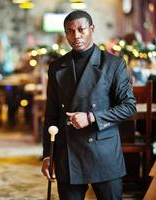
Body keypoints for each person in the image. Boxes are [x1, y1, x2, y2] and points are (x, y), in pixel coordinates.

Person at [41, 10, 136, 199]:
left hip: (104, 152)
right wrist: (47, 154)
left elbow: (129, 107)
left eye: (81, 29)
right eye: (70, 31)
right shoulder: (56, 67)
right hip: (68, 153)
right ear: (65, 33)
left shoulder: (113, 64)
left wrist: (92, 117)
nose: (76, 35)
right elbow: (51, 115)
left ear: (91, 29)